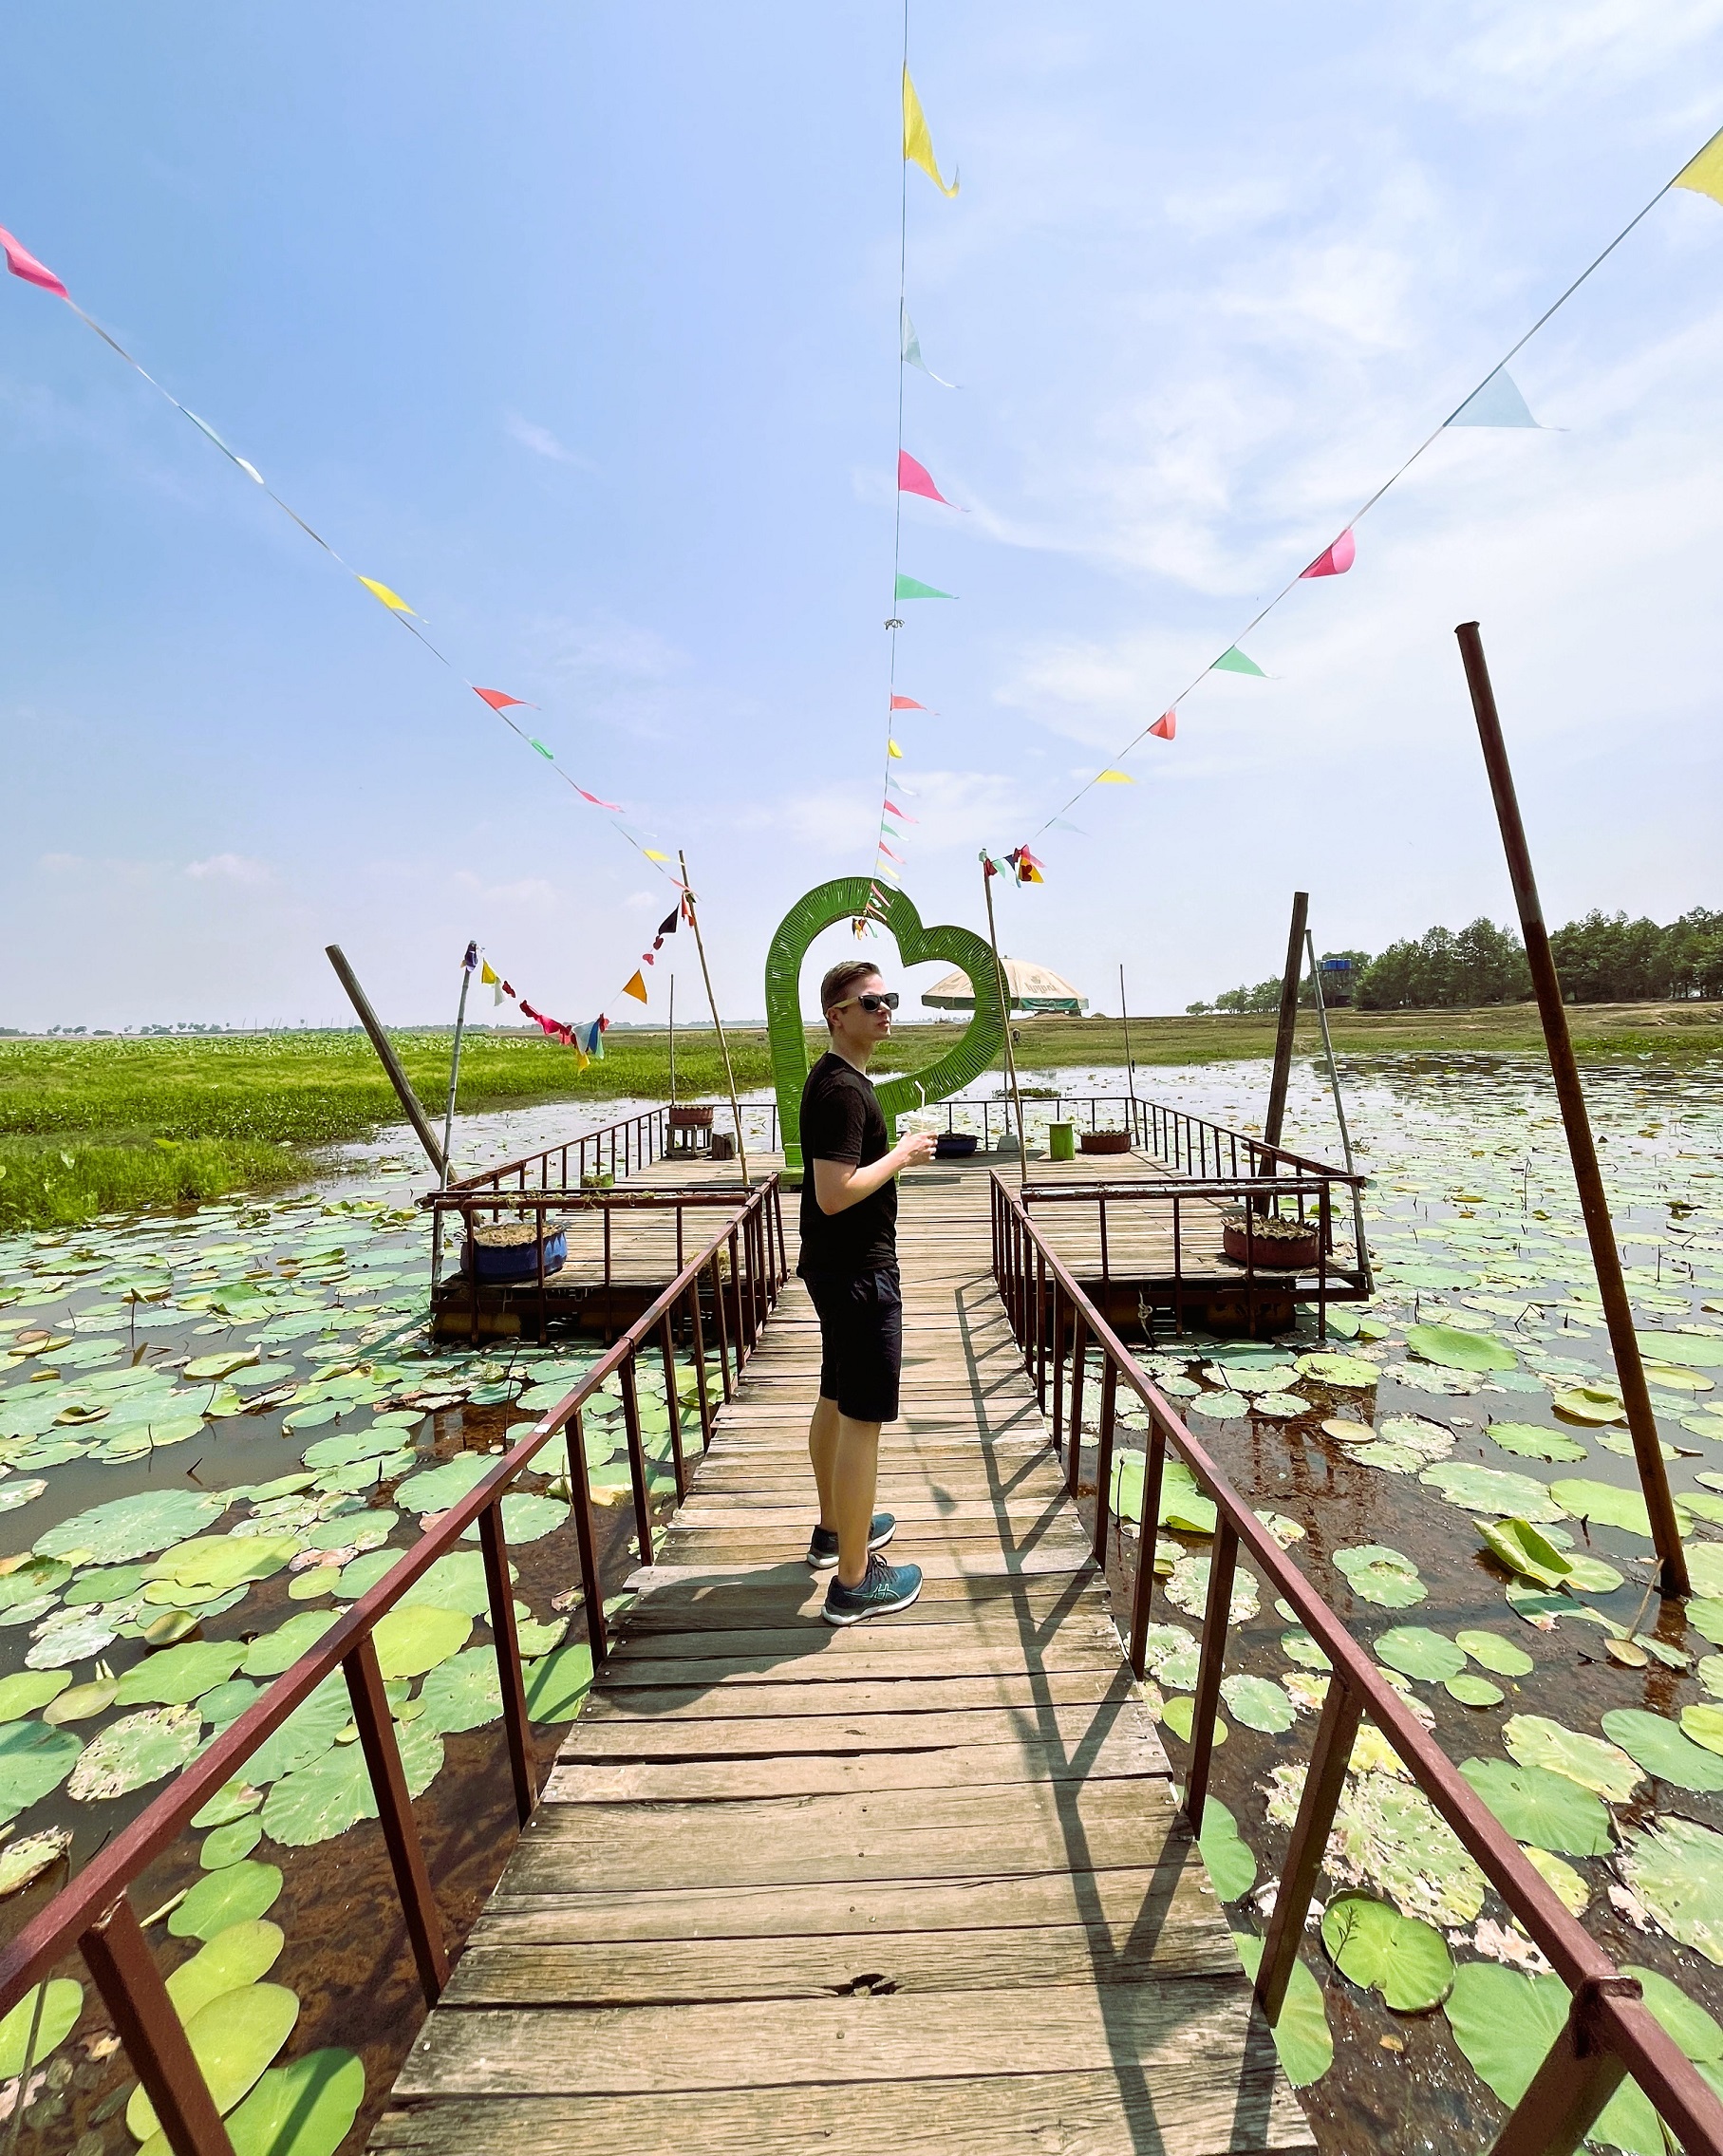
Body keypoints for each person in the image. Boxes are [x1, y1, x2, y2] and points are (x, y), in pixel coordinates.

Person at [797, 959, 937, 1624]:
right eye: (870, 1000)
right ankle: (854, 1580)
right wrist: (902, 1155)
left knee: (834, 1396)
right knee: (863, 1419)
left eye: (889, 998)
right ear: (837, 1015)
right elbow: (832, 1193)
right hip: (858, 1273)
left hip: (836, 1269)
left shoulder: (836, 1080)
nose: (885, 1008)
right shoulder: (843, 1092)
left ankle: (835, 1529)